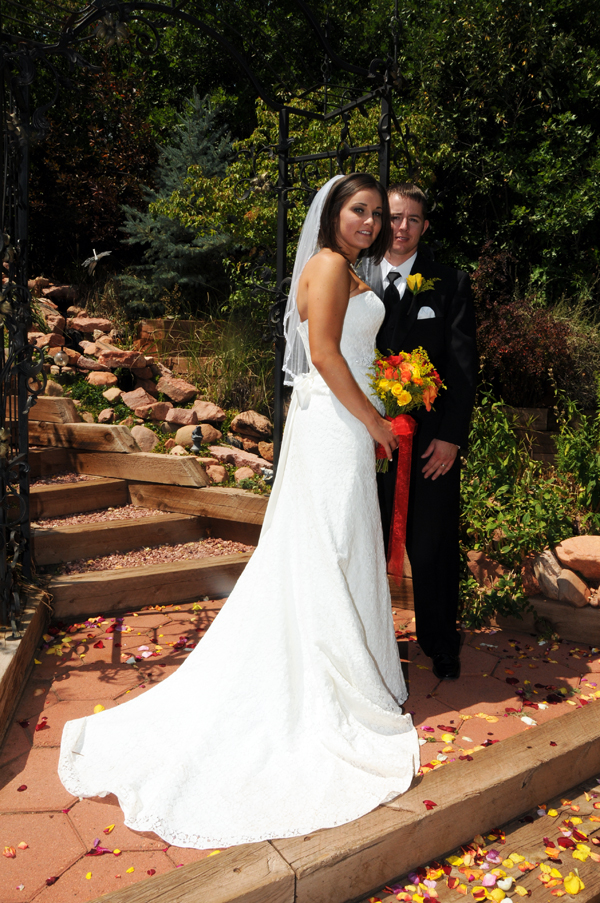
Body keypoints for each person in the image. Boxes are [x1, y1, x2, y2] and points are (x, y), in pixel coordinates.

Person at [58, 173, 420, 849]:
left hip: (331, 422)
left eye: (377, 213)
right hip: (338, 420)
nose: (370, 222)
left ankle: (354, 667)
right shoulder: (332, 266)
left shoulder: (339, 267)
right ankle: (334, 683)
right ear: (334, 215)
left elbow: (340, 355)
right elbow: (321, 356)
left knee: (331, 545)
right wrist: (374, 418)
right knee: (330, 545)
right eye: (359, 211)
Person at [359, 183, 478, 681]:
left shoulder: (449, 281)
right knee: (364, 540)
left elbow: (463, 364)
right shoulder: (353, 274)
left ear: (424, 226)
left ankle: (439, 642)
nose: (402, 227)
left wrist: (451, 437)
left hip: (429, 446)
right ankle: (365, 645)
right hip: (363, 440)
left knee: (431, 548)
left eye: (412, 219)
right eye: (394, 217)